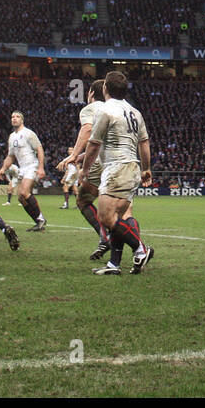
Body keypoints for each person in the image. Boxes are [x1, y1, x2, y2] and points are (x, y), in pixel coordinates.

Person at [78, 70, 154, 275]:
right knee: (119, 215)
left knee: (106, 217)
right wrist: (146, 168)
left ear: (105, 89)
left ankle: (140, 248)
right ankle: (114, 264)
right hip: (132, 167)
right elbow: (144, 142)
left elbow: (94, 144)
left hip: (117, 168)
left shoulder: (106, 111)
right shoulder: (135, 112)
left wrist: (84, 171)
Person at [56, 80, 111, 260]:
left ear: (91, 93)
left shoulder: (90, 108)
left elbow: (87, 130)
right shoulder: (115, 108)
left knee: (83, 200)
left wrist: (74, 154)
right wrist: (81, 156)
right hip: (117, 161)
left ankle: (105, 238)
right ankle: (136, 250)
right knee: (118, 207)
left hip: (98, 161)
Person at [0, 112, 46, 232]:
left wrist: (41, 167)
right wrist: (3, 168)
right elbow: (10, 156)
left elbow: (39, 149)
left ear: (22, 120)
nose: (14, 119)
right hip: (22, 168)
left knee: (24, 192)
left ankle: (41, 219)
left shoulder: (28, 133)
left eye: (17, 117)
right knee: (20, 197)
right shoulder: (11, 137)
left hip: (32, 165)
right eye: (12, 117)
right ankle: (38, 221)